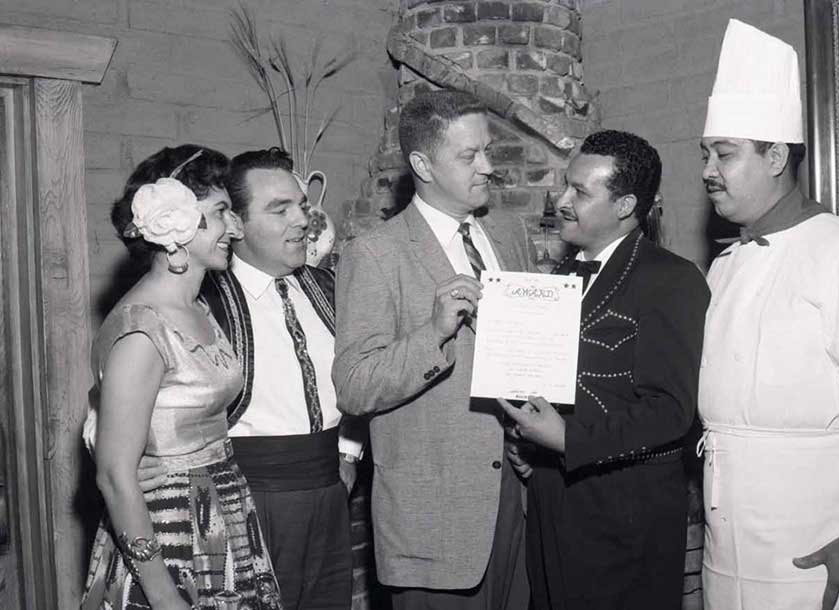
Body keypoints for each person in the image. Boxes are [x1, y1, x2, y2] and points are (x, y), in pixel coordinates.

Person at [696, 20, 839, 610]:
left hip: (817, 536)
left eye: (725, 154)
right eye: (706, 154)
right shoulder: (727, 265)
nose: (708, 172)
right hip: (732, 537)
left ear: (775, 156)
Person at [85, 147, 363, 609]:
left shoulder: (316, 288)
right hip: (210, 504)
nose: (303, 220)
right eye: (222, 214)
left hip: (248, 506)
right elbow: (113, 406)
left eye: (302, 205)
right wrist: (119, 455)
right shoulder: (190, 301)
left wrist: (347, 452)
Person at [332, 90, 534, 610]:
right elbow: (354, 385)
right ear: (422, 163)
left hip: (516, 493)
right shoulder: (374, 254)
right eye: (469, 156)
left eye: (486, 150)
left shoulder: (509, 235)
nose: (488, 167)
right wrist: (433, 332)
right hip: (433, 517)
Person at [498, 130, 710, 610]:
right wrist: (536, 447)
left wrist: (568, 440)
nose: (562, 201)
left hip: (624, 523)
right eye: (566, 186)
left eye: (581, 192)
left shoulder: (671, 279)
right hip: (555, 504)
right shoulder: (565, 275)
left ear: (625, 205)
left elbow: (671, 411)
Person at [81, 145, 282, 609]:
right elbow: (114, 475)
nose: (235, 227)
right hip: (168, 532)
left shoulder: (197, 305)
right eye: (221, 213)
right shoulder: (142, 328)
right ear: (177, 224)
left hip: (222, 512)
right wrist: (164, 597)